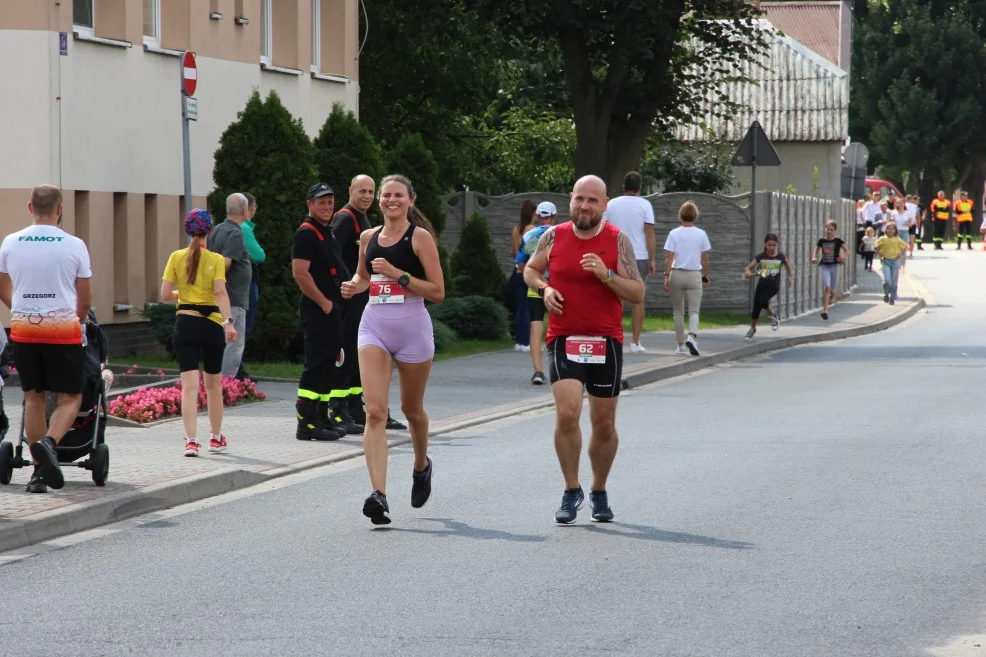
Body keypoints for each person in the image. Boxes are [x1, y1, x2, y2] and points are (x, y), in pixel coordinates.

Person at [522, 175, 644, 524]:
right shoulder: (553, 235)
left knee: (603, 423)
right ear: (571, 201)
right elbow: (530, 270)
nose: (585, 206)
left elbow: (636, 293)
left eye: (593, 200)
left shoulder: (616, 241)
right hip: (563, 337)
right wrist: (544, 288)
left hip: (606, 340)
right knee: (567, 413)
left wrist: (606, 274)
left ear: (605, 204)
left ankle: (599, 489)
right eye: (580, 199)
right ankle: (571, 488)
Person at [341, 174, 445, 525]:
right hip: (374, 326)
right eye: (386, 195)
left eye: (398, 195)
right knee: (375, 412)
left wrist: (400, 274)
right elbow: (364, 276)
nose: (390, 200)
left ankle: (421, 465)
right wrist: (353, 286)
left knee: (412, 410)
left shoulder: (420, 238)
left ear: (410, 201)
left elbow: (437, 291)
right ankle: (379, 495)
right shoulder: (368, 237)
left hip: (413, 329)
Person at [0, 184, 92, 493]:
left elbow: (2, 288)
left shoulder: (10, 243)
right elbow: (86, 298)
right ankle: (50, 445)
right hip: (63, 330)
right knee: (70, 397)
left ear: (29, 207)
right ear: (60, 208)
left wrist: (26, 310)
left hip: (24, 329)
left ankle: (38, 474)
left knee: (33, 397)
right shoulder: (75, 245)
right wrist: (75, 319)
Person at [160, 209, 238, 456]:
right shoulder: (215, 259)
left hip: (185, 324)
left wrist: (183, 294)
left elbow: (164, 295)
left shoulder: (176, 257)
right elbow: (220, 293)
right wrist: (229, 323)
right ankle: (215, 438)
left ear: (187, 230)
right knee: (213, 385)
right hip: (211, 325)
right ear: (210, 230)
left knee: (189, 387)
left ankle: (191, 441)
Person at [291, 183, 350, 441]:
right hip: (319, 311)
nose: (327, 207)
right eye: (321, 202)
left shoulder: (325, 231)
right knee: (315, 365)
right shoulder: (306, 233)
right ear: (310, 205)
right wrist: (324, 302)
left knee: (328, 365)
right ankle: (306, 423)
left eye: (330, 202)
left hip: (332, 310)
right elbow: (300, 273)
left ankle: (321, 417)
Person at [328, 174, 376, 435]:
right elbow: (332, 255)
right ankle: (336, 409)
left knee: (358, 357)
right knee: (345, 355)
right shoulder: (346, 218)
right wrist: (340, 288)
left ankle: (355, 408)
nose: (367, 196)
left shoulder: (362, 218)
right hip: (347, 300)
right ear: (350, 191)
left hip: (360, 299)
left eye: (371, 191)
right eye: (362, 191)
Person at [602, 171, 655, 352]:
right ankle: (635, 341)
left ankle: (614, 337)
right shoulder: (645, 205)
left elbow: (603, 229)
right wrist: (653, 258)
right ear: (640, 188)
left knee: (616, 296)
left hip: (615, 254)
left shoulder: (611, 204)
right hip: (639, 255)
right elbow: (649, 233)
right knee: (638, 298)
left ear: (623, 187)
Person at [208, 193, 251, 378]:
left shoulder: (217, 230)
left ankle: (217, 382)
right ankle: (226, 384)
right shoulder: (235, 233)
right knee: (233, 343)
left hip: (222, 297)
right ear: (244, 211)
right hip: (232, 298)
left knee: (222, 343)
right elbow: (224, 263)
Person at [515, 201, 557, 385]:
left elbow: (520, 264)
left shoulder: (529, 235)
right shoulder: (562, 234)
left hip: (535, 288)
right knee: (561, 330)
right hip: (559, 289)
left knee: (535, 328)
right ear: (555, 216)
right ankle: (564, 369)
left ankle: (538, 372)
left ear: (538, 216)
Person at [663, 201, 711, 356]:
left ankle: (681, 346)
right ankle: (692, 336)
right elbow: (705, 258)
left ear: (680, 215)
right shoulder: (701, 234)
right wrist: (705, 276)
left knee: (678, 312)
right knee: (694, 310)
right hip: (694, 274)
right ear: (695, 215)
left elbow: (669, 257)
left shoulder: (674, 233)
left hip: (676, 273)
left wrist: (666, 275)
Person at [743, 233, 792, 339]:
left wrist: (790, 276)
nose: (772, 247)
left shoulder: (780, 256)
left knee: (762, 300)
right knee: (756, 307)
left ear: (777, 245)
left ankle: (773, 315)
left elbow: (788, 265)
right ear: (765, 244)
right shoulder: (761, 257)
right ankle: (753, 328)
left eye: (774, 245)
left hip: (774, 285)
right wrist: (747, 272)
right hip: (762, 284)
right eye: (769, 245)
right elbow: (748, 267)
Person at [238, 192, 266, 380]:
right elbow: (259, 255)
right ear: (249, 209)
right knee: (243, 328)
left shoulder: (226, 228)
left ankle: (237, 369)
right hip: (247, 284)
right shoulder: (244, 229)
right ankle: (238, 372)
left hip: (235, 286)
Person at [510, 200, 537, 352]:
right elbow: (532, 253)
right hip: (529, 271)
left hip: (517, 272)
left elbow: (513, 252)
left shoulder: (516, 229)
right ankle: (527, 342)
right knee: (528, 308)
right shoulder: (532, 230)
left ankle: (519, 341)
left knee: (520, 308)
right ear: (533, 213)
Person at [811, 220, 848, 320]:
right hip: (825, 266)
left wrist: (843, 257)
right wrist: (814, 257)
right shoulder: (821, 241)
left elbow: (846, 249)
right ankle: (825, 311)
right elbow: (816, 249)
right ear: (825, 229)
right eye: (828, 229)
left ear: (835, 231)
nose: (829, 231)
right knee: (826, 287)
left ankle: (833, 296)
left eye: (831, 230)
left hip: (834, 266)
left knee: (832, 291)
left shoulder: (838, 241)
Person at [875, 221, 907, 305]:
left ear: (895, 231)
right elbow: (876, 245)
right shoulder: (883, 239)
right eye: (888, 229)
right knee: (887, 280)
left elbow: (904, 246)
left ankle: (892, 298)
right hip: (886, 261)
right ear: (886, 230)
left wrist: (900, 253)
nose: (890, 230)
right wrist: (879, 252)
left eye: (892, 229)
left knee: (894, 281)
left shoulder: (897, 239)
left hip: (895, 261)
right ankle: (886, 293)